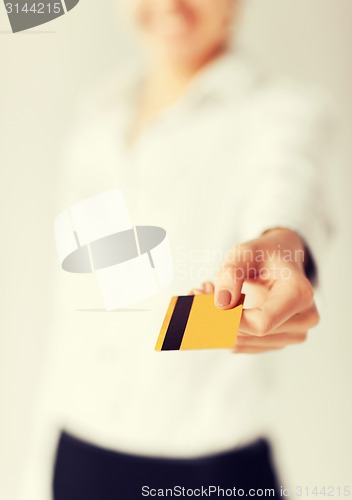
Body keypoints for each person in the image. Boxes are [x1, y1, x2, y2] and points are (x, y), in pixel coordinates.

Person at [19, 0, 334, 499]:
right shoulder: (96, 119)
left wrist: (283, 243)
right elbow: (78, 323)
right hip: (76, 457)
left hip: (208, 475)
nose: (169, 4)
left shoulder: (280, 111)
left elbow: (288, 188)